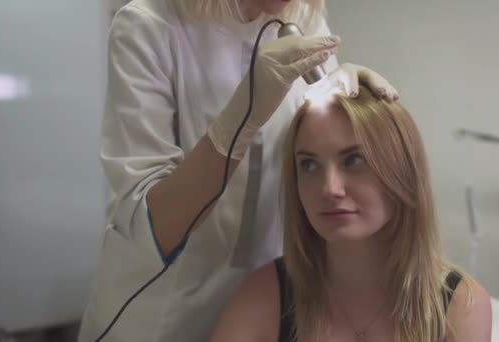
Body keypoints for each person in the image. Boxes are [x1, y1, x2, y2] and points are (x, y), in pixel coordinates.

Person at [77, 0, 399, 341]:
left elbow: (314, 157)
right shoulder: (149, 26)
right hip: (162, 314)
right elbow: (152, 224)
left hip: (267, 304)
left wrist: (347, 104)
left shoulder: (305, 19)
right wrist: (242, 114)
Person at [209, 84, 492, 342]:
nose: (329, 188)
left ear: (403, 172)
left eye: (354, 160)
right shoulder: (267, 295)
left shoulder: (459, 306)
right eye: (308, 165)